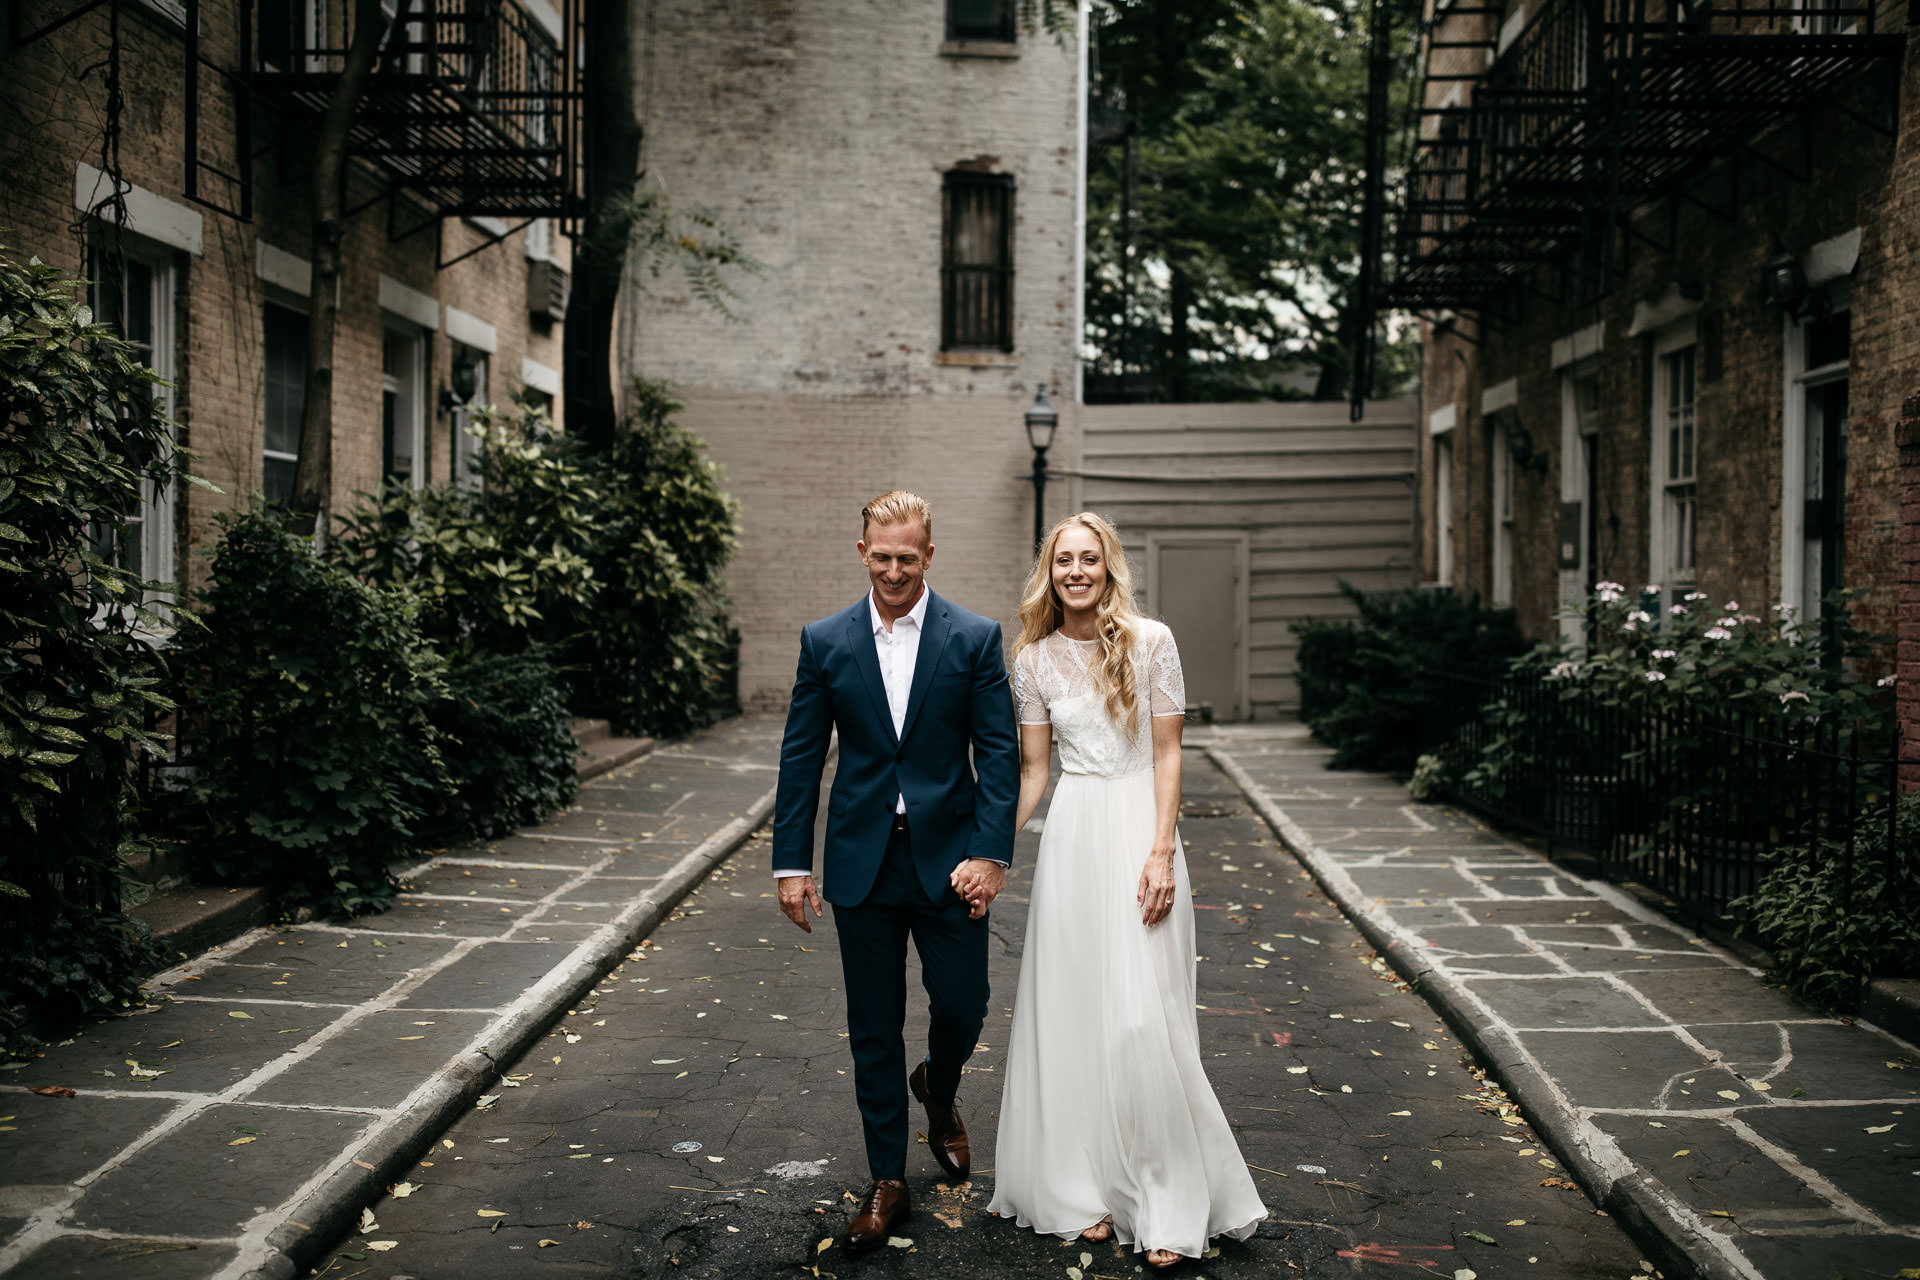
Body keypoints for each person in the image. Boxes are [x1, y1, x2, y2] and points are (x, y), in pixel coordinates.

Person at [986, 512, 1267, 1269]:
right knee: (1076, 1016)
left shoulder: (1152, 642)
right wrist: (991, 849)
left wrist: (1162, 852)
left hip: (1141, 829)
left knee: (1145, 1022)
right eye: (1063, 561)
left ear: (1109, 566)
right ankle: (1081, 1190)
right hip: (1075, 838)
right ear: (1050, 571)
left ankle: (1170, 1200)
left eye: (1089, 559)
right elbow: (1036, 772)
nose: (1076, 571)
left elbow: (1171, 752)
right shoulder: (1033, 660)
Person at [772, 489, 1020, 1252]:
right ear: (862, 554)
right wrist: (791, 862)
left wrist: (989, 852)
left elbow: (1000, 752)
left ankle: (938, 1092)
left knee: (964, 1004)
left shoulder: (974, 637)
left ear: (929, 556)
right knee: (872, 1027)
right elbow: (802, 756)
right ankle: (887, 1181)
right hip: (862, 864)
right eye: (880, 557)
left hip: (951, 864)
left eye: (906, 558)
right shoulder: (826, 641)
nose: (893, 570)